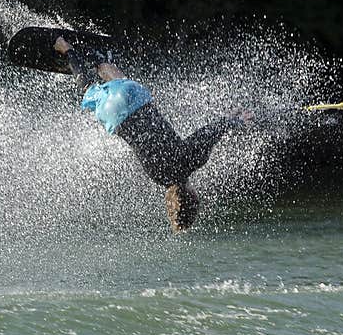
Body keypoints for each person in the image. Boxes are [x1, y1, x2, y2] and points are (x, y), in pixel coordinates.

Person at [54, 36, 250, 232]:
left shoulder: (190, 161)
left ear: (195, 197)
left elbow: (207, 134)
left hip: (135, 98)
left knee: (119, 81)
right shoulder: (157, 177)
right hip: (115, 116)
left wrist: (232, 121)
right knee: (89, 90)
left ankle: (96, 57)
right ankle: (66, 49)